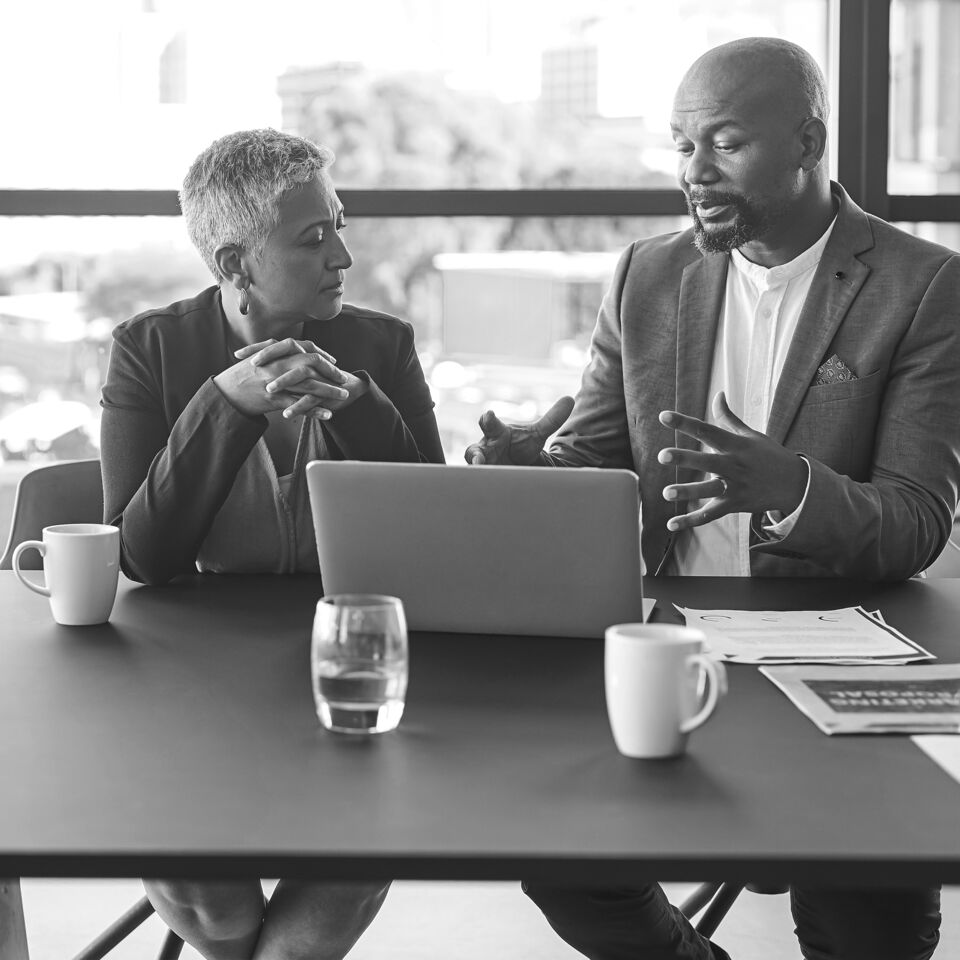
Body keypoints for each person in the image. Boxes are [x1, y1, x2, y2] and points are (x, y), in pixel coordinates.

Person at [465, 37, 956, 960]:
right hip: (670, 641)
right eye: (683, 146)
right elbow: (601, 469)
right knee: (564, 862)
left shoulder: (923, 285)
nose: (695, 171)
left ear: (808, 142)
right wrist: (533, 468)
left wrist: (790, 490)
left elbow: (918, 522)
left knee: (870, 925)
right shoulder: (648, 276)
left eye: (724, 143)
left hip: (839, 645)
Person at [100, 129, 443, 959]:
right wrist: (224, 403)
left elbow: (435, 525)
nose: (343, 257)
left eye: (340, 226)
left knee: (336, 885)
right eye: (313, 237)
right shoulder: (150, 350)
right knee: (214, 906)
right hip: (184, 680)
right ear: (235, 263)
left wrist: (358, 403)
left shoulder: (382, 347)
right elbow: (142, 555)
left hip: (348, 670)